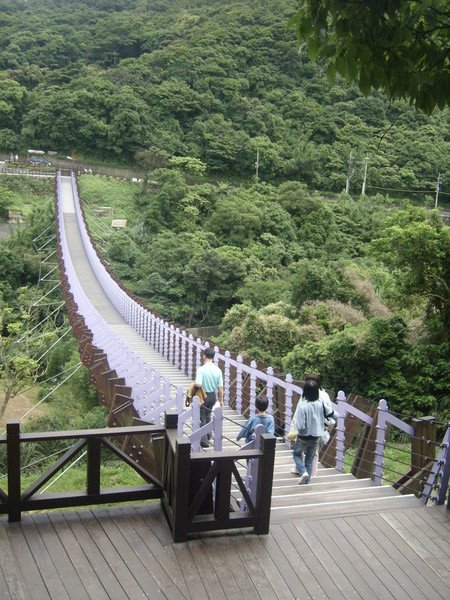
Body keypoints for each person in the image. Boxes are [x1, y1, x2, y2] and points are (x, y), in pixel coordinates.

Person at [292, 380, 335, 484]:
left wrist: (295, 424)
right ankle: (307, 481)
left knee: (296, 454)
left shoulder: (303, 407)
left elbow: (301, 425)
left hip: (304, 437)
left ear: (305, 392)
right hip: (316, 436)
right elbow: (334, 415)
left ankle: (303, 472)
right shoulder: (321, 405)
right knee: (309, 458)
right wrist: (328, 423)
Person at [195, 347, 224, 447]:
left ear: (204, 356)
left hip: (203, 394)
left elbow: (198, 385)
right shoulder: (218, 370)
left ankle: (204, 440)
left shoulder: (201, 369)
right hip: (212, 395)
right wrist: (221, 400)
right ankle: (208, 435)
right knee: (208, 415)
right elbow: (220, 388)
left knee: (202, 416)